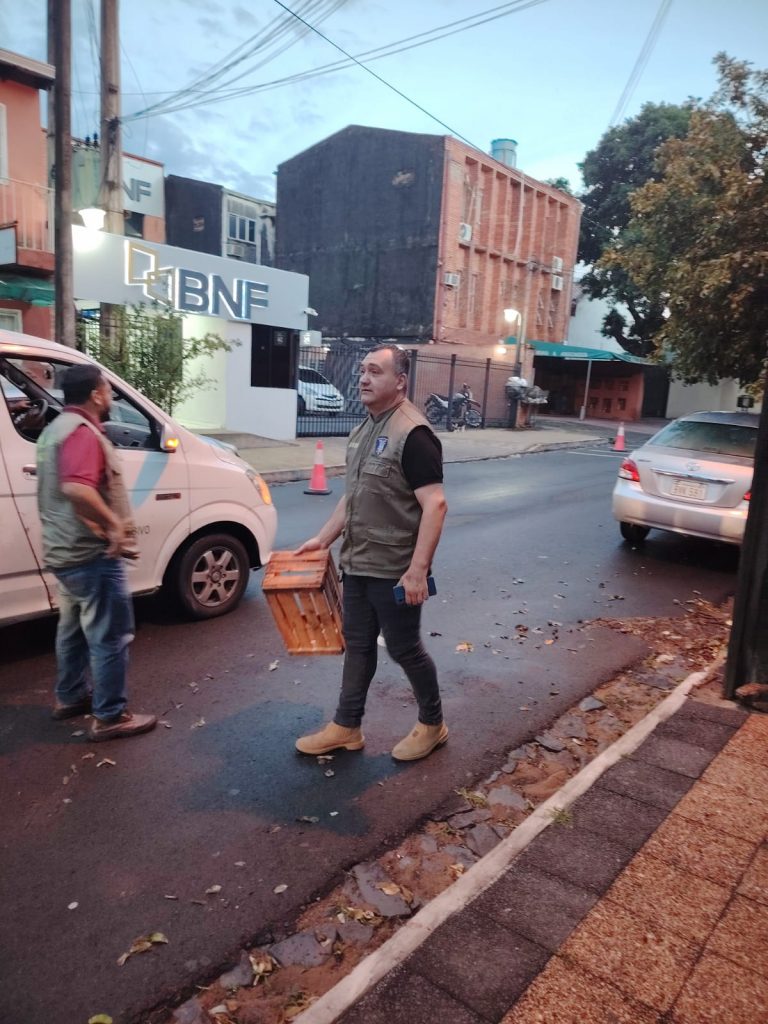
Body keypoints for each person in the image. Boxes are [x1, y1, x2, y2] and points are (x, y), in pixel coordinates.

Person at [295, 344, 448, 762]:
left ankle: (432, 724)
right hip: (358, 562)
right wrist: (323, 539)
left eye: (375, 371)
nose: (364, 378)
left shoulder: (413, 434)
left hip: (393, 569)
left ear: (399, 381)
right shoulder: (366, 427)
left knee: (403, 648)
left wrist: (418, 571)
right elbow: (354, 495)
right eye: (362, 371)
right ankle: (346, 727)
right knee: (358, 643)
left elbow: (435, 505)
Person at [36, 363, 156, 742]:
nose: (110, 396)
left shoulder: (54, 430)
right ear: (95, 394)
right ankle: (110, 715)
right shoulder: (83, 434)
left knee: (71, 630)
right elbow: (77, 488)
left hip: (64, 552)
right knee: (110, 636)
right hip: (90, 555)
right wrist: (114, 525)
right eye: (107, 389)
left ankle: (70, 696)